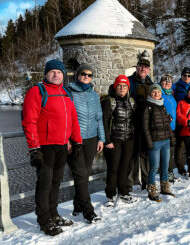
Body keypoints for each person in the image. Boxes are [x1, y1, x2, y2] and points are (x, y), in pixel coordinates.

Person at [22, 59, 83, 236]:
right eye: (53, 72)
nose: (56, 75)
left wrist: (77, 141)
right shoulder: (37, 91)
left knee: (56, 182)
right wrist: (34, 148)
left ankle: (54, 213)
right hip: (45, 147)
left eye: (59, 72)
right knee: (45, 183)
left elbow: (73, 119)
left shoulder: (65, 92)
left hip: (62, 145)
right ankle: (44, 219)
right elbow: (29, 121)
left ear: (64, 75)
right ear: (46, 74)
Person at [67, 63, 104, 223]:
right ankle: (88, 211)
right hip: (76, 139)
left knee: (84, 174)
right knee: (80, 174)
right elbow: (66, 118)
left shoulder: (94, 95)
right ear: (77, 75)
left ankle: (77, 205)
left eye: (90, 75)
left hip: (91, 139)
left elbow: (99, 118)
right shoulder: (69, 93)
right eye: (84, 74)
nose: (86, 77)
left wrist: (101, 138)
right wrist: (68, 139)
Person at [102, 75, 136, 206]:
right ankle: (110, 194)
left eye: (125, 86)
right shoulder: (108, 102)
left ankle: (123, 192)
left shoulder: (131, 102)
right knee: (113, 168)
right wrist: (107, 140)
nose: (122, 88)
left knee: (125, 167)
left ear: (128, 88)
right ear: (115, 87)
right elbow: (104, 122)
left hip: (128, 140)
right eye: (119, 86)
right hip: (114, 140)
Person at [143, 84, 175, 201]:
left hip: (165, 140)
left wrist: (171, 138)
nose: (156, 94)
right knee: (154, 167)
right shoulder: (147, 107)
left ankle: (165, 187)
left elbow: (167, 126)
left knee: (165, 166)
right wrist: (149, 142)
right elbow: (145, 127)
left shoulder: (163, 107)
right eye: (154, 92)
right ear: (150, 93)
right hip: (155, 142)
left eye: (158, 92)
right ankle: (151, 190)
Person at [128, 56, 153, 190]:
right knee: (132, 154)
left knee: (145, 154)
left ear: (148, 70)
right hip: (132, 123)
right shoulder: (129, 81)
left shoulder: (150, 83)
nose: (143, 69)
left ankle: (146, 181)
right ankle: (130, 184)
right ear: (137, 67)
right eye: (141, 66)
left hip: (145, 124)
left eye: (146, 67)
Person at [173, 67, 190, 176]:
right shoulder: (176, 86)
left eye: (189, 76)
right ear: (181, 76)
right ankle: (180, 167)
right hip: (180, 120)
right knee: (179, 145)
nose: (186, 77)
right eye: (184, 75)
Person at [159, 74, 178, 183]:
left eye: (169, 82)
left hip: (173, 128)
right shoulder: (159, 94)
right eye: (165, 81)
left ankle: (170, 172)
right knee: (164, 153)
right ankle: (165, 174)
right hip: (163, 128)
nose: (167, 83)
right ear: (161, 83)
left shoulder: (171, 95)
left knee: (170, 152)